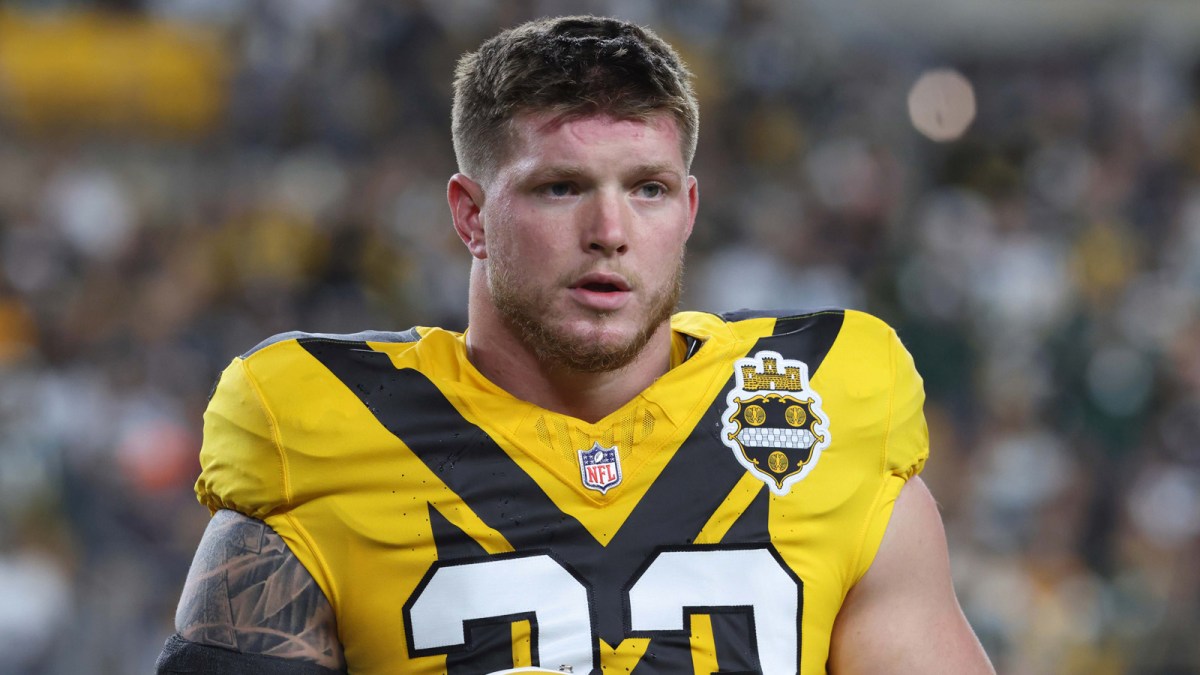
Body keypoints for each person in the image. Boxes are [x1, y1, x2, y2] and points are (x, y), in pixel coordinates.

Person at [156, 15, 994, 675]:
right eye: (561, 187)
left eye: (649, 189)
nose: (610, 232)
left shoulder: (823, 404)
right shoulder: (323, 423)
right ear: (470, 213)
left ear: (690, 210)